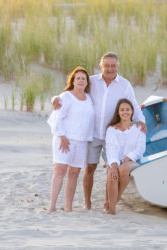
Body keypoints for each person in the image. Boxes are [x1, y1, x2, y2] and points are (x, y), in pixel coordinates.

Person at [53, 52, 146, 210]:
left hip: (113, 134)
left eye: (113, 66)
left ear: (117, 66)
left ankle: (108, 203)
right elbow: (74, 91)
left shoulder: (125, 85)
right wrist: (55, 99)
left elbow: (134, 105)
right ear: (101, 66)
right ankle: (87, 203)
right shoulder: (92, 81)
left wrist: (141, 120)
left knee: (112, 168)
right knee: (90, 168)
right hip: (92, 134)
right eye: (106, 66)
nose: (110, 69)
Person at [47, 66, 94, 213]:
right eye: (78, 78)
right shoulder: (66, 96)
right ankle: (52, 205)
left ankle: (68, 207)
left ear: (87, 82)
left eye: (83, 78)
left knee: (74, 173)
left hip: (81, 141)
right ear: (72, 81)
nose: (80, 80)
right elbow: (56, 116)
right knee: (59, 171)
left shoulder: (89, 99)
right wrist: (61, 136)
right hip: (64, 140)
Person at [104, 98, 146, 214]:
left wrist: (127, 158)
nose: (125, 112)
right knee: (112, 175)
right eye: (122, 110)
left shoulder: (139, 128)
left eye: (127, 109)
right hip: (115, 159)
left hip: (132, 160)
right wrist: (113, 164)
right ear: (118, 112)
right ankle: (112, 210)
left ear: (132, 111)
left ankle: (116, 198)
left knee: (124, 168)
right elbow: (111, 148)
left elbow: (140, 148)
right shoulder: (111, 129)